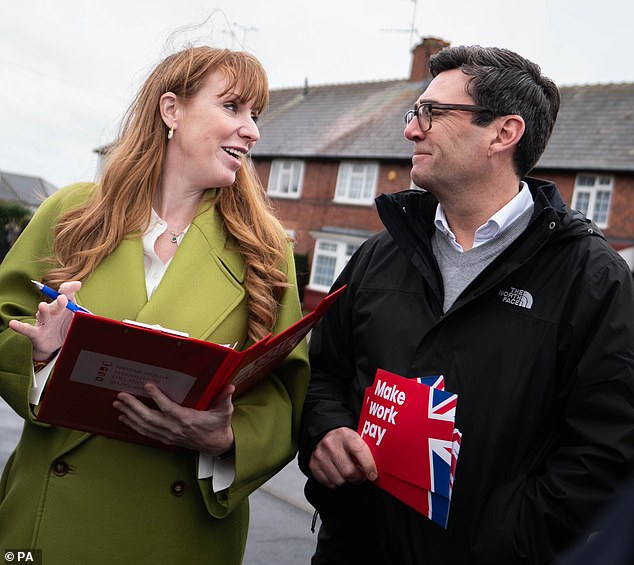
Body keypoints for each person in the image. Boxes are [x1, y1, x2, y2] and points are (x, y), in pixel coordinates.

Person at [298, 45, 634, 565]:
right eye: (415, 113)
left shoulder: (592, 278)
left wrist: (510, 540)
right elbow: (323, 371)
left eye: (432, 113)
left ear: (503, 133)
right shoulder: (378, 255)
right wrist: (325, 431)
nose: (412, 130)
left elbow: (607, 448)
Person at [0, 45, 309, 564]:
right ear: (171, 110)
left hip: (181, 533)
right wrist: (39, 355)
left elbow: (285, 389)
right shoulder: (72, 212)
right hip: (51, 524)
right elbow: (4, 319)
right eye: (233, 107)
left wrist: (227, 438)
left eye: (255, 115)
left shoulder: (266, 248)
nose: (253, 131)